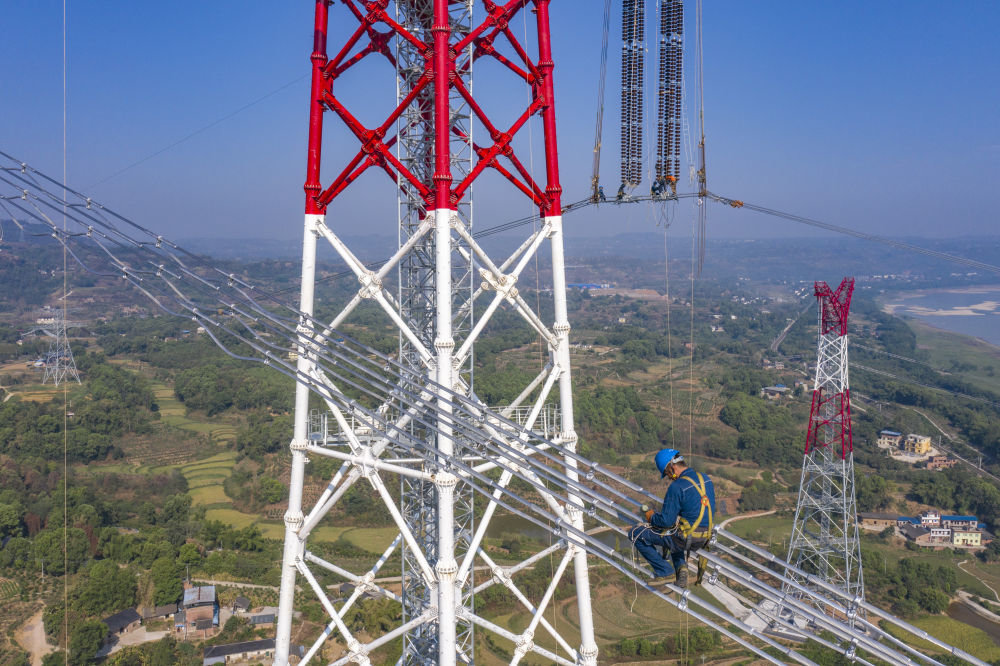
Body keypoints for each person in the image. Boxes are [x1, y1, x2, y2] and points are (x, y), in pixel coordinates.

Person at [628, 448, 716, 589]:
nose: (669, 478)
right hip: (704, 537)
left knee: (635, 533)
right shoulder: (706, 478)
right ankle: (681, 569)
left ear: (672, 467)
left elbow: (666, 521)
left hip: (686, 539)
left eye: (667, 473)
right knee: (675, 534)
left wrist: (651, 517)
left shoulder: (677, 487)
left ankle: (665, 571)